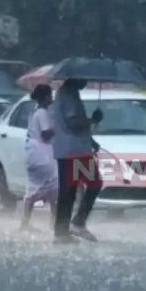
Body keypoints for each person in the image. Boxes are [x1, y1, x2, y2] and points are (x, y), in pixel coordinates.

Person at [50, 79, 103, 243]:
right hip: (75, 151)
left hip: (69, 150)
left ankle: (62, 231)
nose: (86, 82)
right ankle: (77, 223)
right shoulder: (69, 96)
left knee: (68, 191)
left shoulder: (64, 94)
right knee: (94, 184)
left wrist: (90, 140)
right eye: (83, 78)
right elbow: (73, 122)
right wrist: (93, 120)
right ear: (75, 78)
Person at [21, 84, 58, 232]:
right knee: (54, 189)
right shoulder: (42, 113)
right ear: (46, 97)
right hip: (42, 155)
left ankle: (25, 223)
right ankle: (56, 222)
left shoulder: (36, 111)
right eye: (50, 95)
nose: (52, 98)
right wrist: (57, 127)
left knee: (34, 190)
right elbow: (45, 134)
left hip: (34, 155)